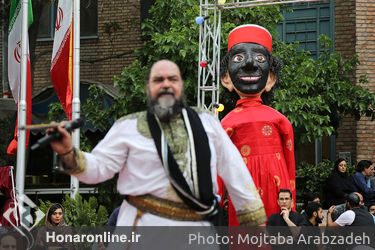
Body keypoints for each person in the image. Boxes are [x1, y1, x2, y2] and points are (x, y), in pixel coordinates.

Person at [48, 59, 266, 226]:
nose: (166, 84)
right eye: (158, 80)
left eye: (173, 79)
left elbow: (234, 169)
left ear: (181, 86)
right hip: (141, 226)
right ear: (148, 88)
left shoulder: (207, 123)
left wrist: (254, 223)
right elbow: (98, 169)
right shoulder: (127, 126)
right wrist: (68, 151)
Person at [218, 24, 295, 225]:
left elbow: (290, 163)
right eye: (238, 59)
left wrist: (291, 204)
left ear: (270, 79)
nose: (250, 64)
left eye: (260, 59)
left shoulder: (280, 120)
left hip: (277, 186)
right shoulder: (226, 123)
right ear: (226, 78)